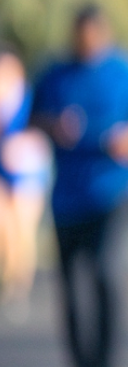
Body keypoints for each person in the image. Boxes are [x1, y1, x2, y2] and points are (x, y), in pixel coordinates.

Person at [31, 5, 128, 367]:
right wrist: (54, 126)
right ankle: (81, 359)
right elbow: (31, 120)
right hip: (68, 196)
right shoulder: (55, 74)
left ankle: (108, 359)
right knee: (71, 287)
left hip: (115, 190)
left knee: (107, 272)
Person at [0, 42, 49, 317]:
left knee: (23, 230)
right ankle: (8, 277)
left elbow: (42, 130)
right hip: (2, 169)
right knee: (5, 230)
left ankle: (19, 287)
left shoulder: (31, 98)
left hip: (28, 170)